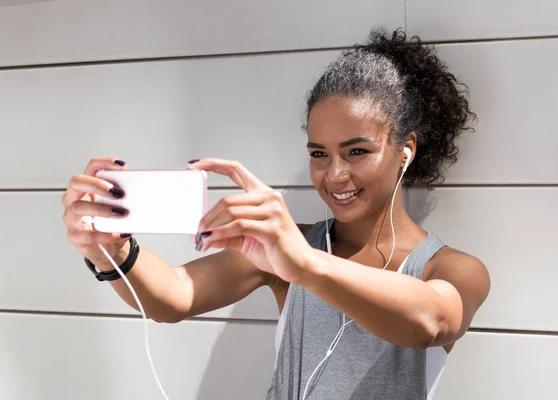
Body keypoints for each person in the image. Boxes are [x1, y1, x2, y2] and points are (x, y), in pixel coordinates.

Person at [62, 28, 490, 400]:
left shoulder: (453, 268)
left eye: (357, 151)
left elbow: (431, 322)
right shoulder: (285, 248)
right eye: (319, 154)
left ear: (405, 151)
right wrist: (112, 254)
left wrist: (303, 264)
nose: (335, 174)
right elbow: (174, 295)